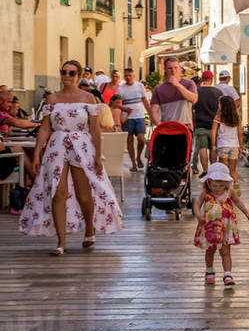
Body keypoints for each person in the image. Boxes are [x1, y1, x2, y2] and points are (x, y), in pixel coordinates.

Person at [18, 60, 124, 255]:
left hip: (82, 145)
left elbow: (94, 129)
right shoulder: (52, 99)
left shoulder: (89, 98)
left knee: (84, 194)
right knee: (58, 192)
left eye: (71, 73)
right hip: (57, 145)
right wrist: (36, 154)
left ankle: (90, 229)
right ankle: (61, 242)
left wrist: (98, 156)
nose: (67, 76)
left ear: (79, 75)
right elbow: (45, 128)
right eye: (64, 72)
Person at [191, 162, 249, 287]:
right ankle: (209, 271)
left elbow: (238, 202)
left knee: (226, 251)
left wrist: (247, 213)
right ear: (208, 182)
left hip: (226, 227)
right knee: (210, 250)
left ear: (226, 183)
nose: (217, 188)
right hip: (210, 228)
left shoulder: (229, 192)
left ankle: (228, 274)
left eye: (221, 185)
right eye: (214, 185)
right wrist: (199, 216)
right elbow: (197, 204)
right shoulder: (206, 193)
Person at [115, 68, 151, 171]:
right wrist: (124, 108)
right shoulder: (121, 89)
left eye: (130, 75)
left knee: (141, 139)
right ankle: (133, 164)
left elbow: (145, 101)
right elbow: (115, 104)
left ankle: (138, 157)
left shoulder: (139, 86)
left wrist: (150, 114)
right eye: (126, 75)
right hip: (127, 118)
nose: (128, 77)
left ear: (134, 76)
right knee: (129, 141)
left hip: (139, 116)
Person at [150, 57, 198, 128]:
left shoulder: (189, 83)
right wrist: (159, 125)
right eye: (170, 68)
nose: (173, 71)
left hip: (185, 127)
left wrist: (177, 85)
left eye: (176, 68)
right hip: (167, 128)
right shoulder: (158, 89)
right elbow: (154, 110)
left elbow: (193, 99)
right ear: (165, 70)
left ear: (180, 69)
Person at [192, 71, 222, 176]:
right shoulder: (218, 92)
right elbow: (221, 109)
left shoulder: (196, 91)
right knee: (213, 148)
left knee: (202, 148)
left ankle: (205, 171)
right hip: (214, 125)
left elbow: (193, 108)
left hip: (200, 125)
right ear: (212, 79)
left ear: (202, 79)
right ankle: (213, 169)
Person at [213, 95, 242, 188]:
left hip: (223, 146)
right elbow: (240, 133)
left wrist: (213, 145)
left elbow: (213, 132)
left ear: (223, 105)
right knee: (233, 169)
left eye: (219, 103)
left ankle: (227, 189)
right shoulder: (236, 117)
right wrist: (241, 146)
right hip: (234, 146)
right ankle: (236, 186)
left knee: (224, 169)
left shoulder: (218, 117)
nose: (218, 105)